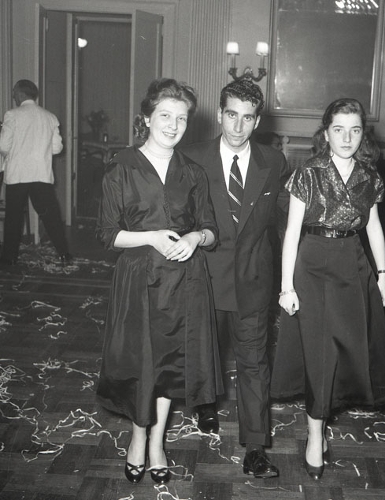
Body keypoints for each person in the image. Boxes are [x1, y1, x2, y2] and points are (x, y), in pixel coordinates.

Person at [95, 78, 223, 485]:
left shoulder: (193, 172)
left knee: (170, 366)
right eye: (165, 116)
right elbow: (107, 235)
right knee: (142, 364)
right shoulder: (122, 166)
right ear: (147, 119)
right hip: (139, 282)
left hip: (185, 282)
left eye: (181, 119)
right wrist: (150, 236)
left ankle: (157, 444)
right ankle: (137, 438)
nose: (173, 125)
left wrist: (194, 238)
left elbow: (211, 231)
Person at [270, 98, 385, 481]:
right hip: (312, 264)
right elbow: (291, 232)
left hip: (353, 265)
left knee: (347, 351)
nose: (346, 137)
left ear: (363, 135)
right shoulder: (308, 172)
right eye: (338, 129)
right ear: (325, 133)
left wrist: (383, 275)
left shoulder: (369, 176)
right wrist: (286, 286)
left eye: (354, 130)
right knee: (319, 353)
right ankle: (315, 433)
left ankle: (322, 418)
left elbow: (373, 227)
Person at [181, 79, 289, 479]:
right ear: (220, 114)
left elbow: (284, 219)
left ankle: (256, 447)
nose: (238, 126)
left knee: (254, 364)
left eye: (247, 118)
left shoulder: (273, 162)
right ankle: (205, 405)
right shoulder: (191, 157)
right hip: (204, 276)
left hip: (253, 279)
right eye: (231, 115)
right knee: (204, 352)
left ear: (257, 121)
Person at [0, 79, 71, 266]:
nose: (14, 97)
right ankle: (64, 253)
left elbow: (3, 145)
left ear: (21, 94)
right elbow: (57, 148)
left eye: (14, 93)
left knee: (14, 217)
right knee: (50, 215)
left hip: (17, 174)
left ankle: (9, 258)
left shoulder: (12, 115)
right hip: (41, 173)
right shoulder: (49, 117)